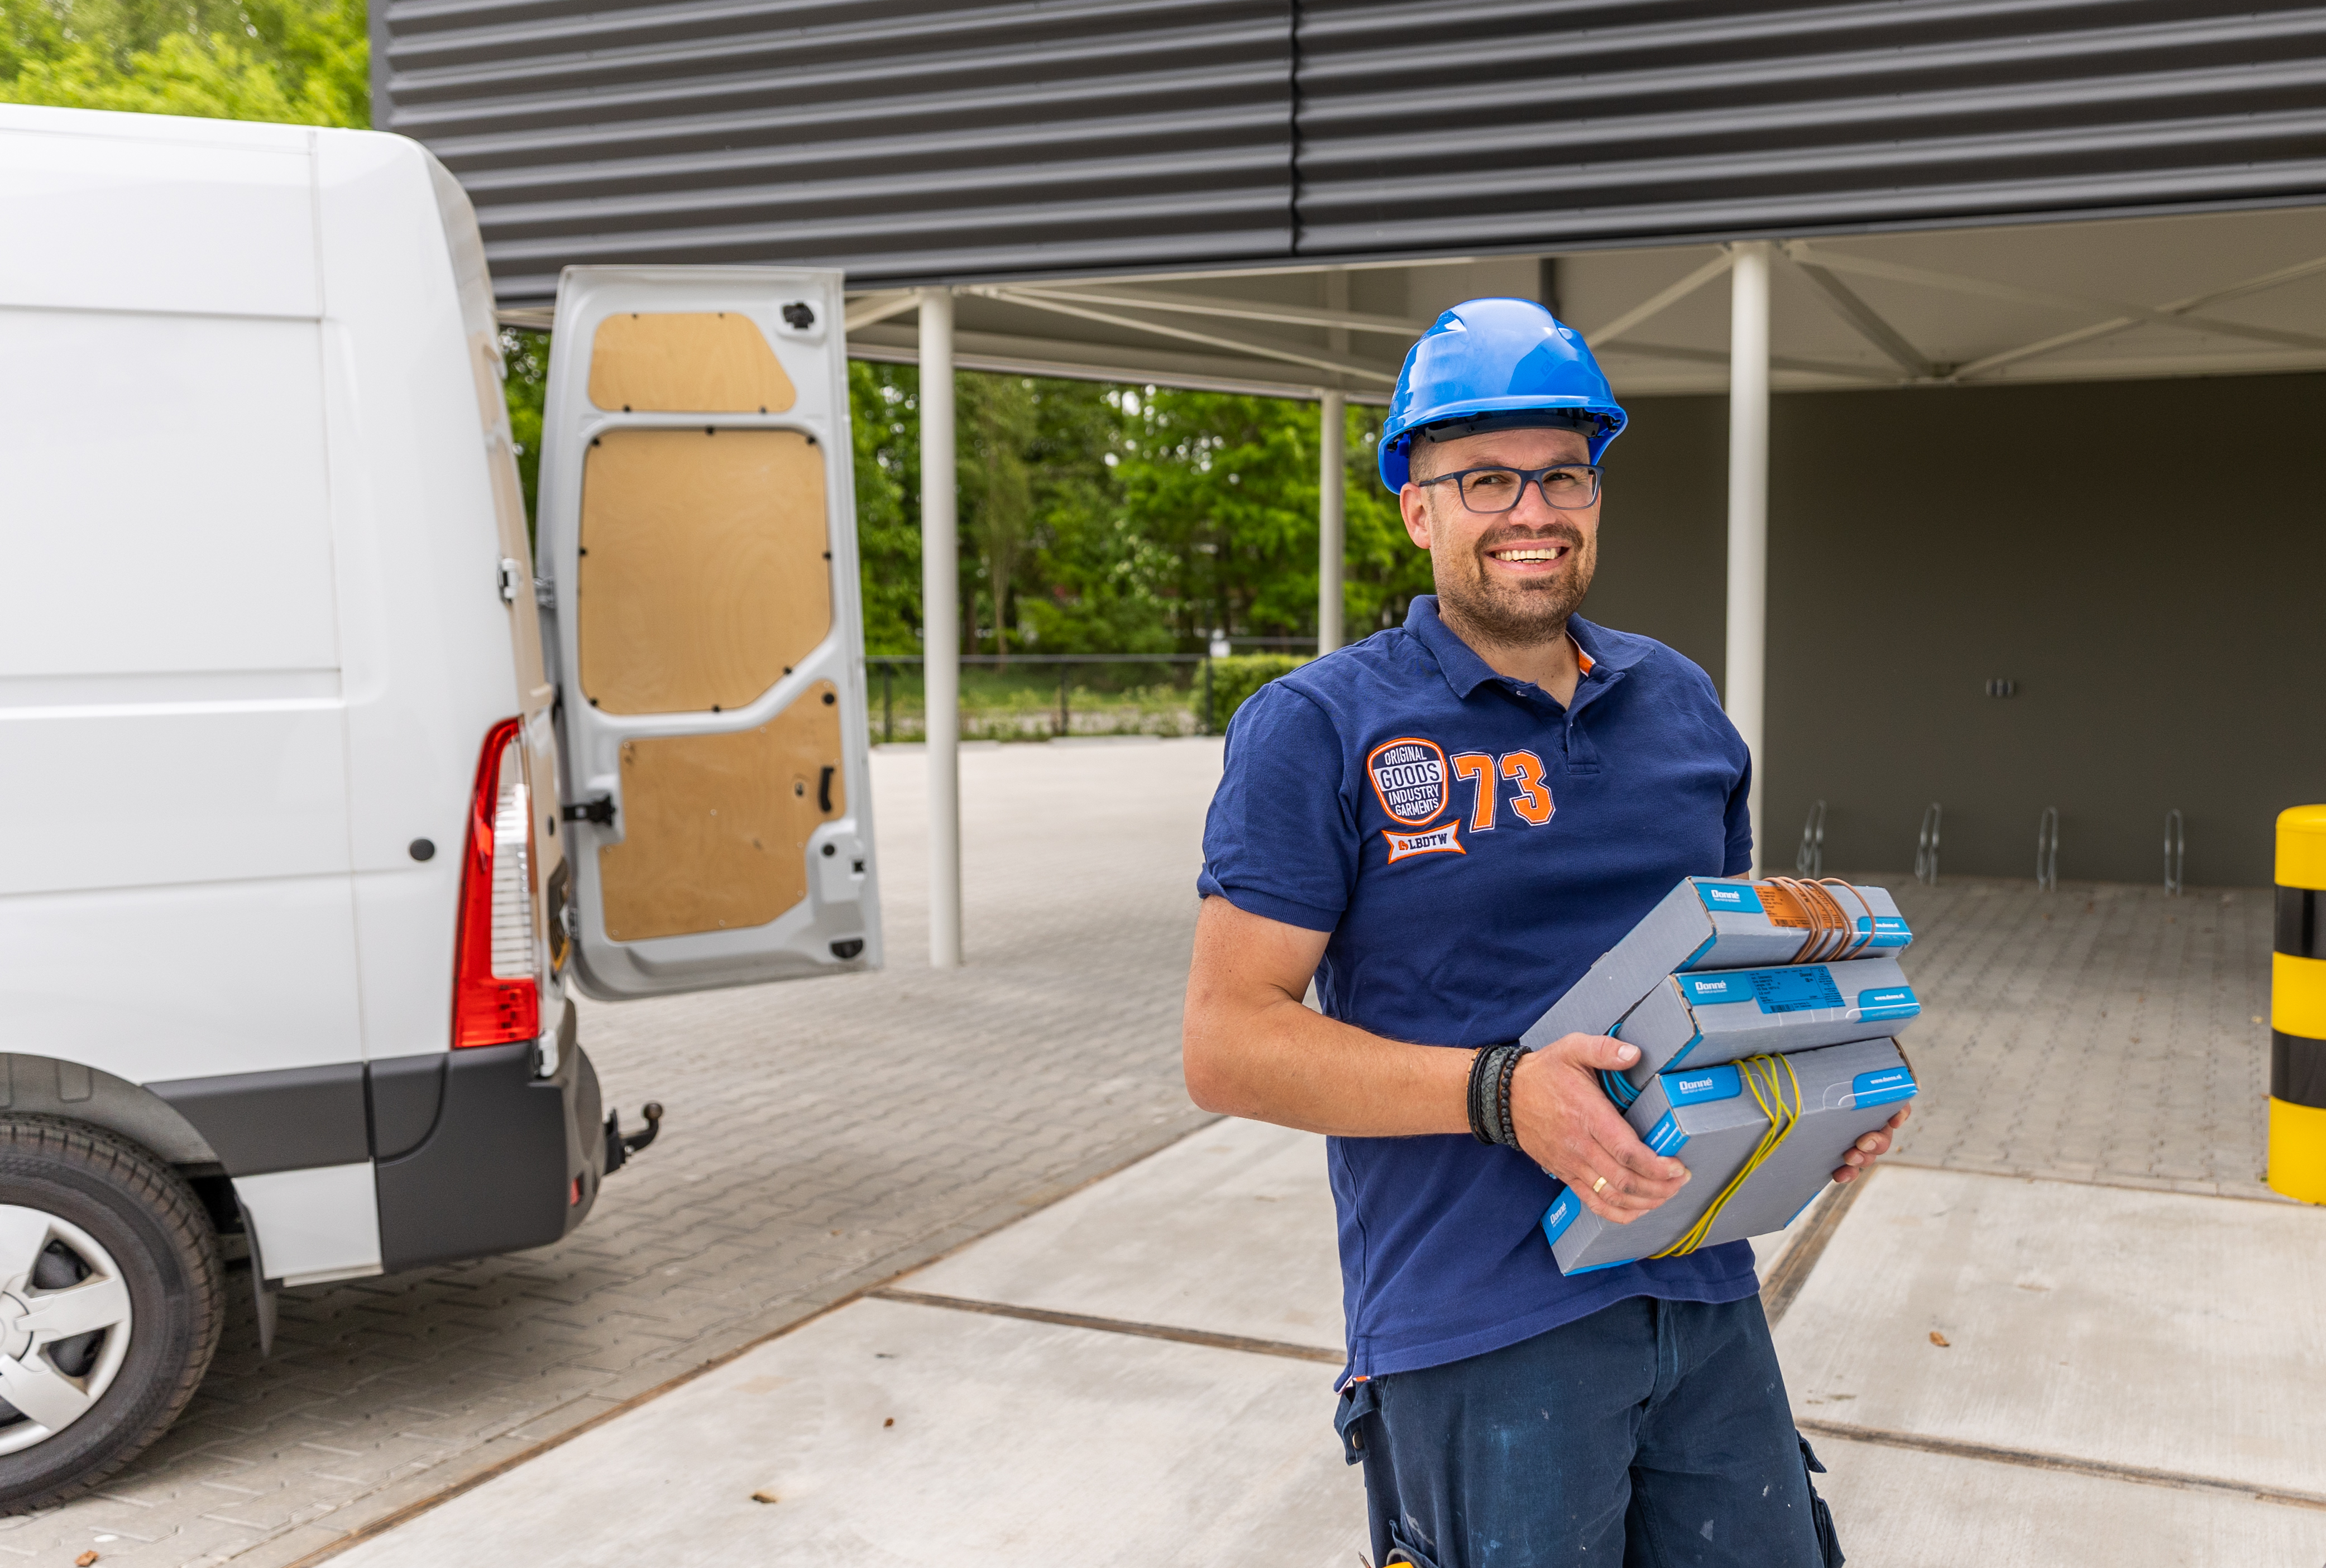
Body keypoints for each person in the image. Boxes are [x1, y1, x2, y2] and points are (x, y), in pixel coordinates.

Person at [1181, 298, 1905, 1567]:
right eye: (1485, 480)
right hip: (1475, 1318)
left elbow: (1715, 975)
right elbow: (1226, 1043)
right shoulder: (1319, 726)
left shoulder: (1675, 703)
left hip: (1697, 1279)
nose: (1533, 511)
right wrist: (1503, 1094)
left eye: (1562, 474)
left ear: (1596, 492)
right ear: (1417, 507)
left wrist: (1822, 1093)